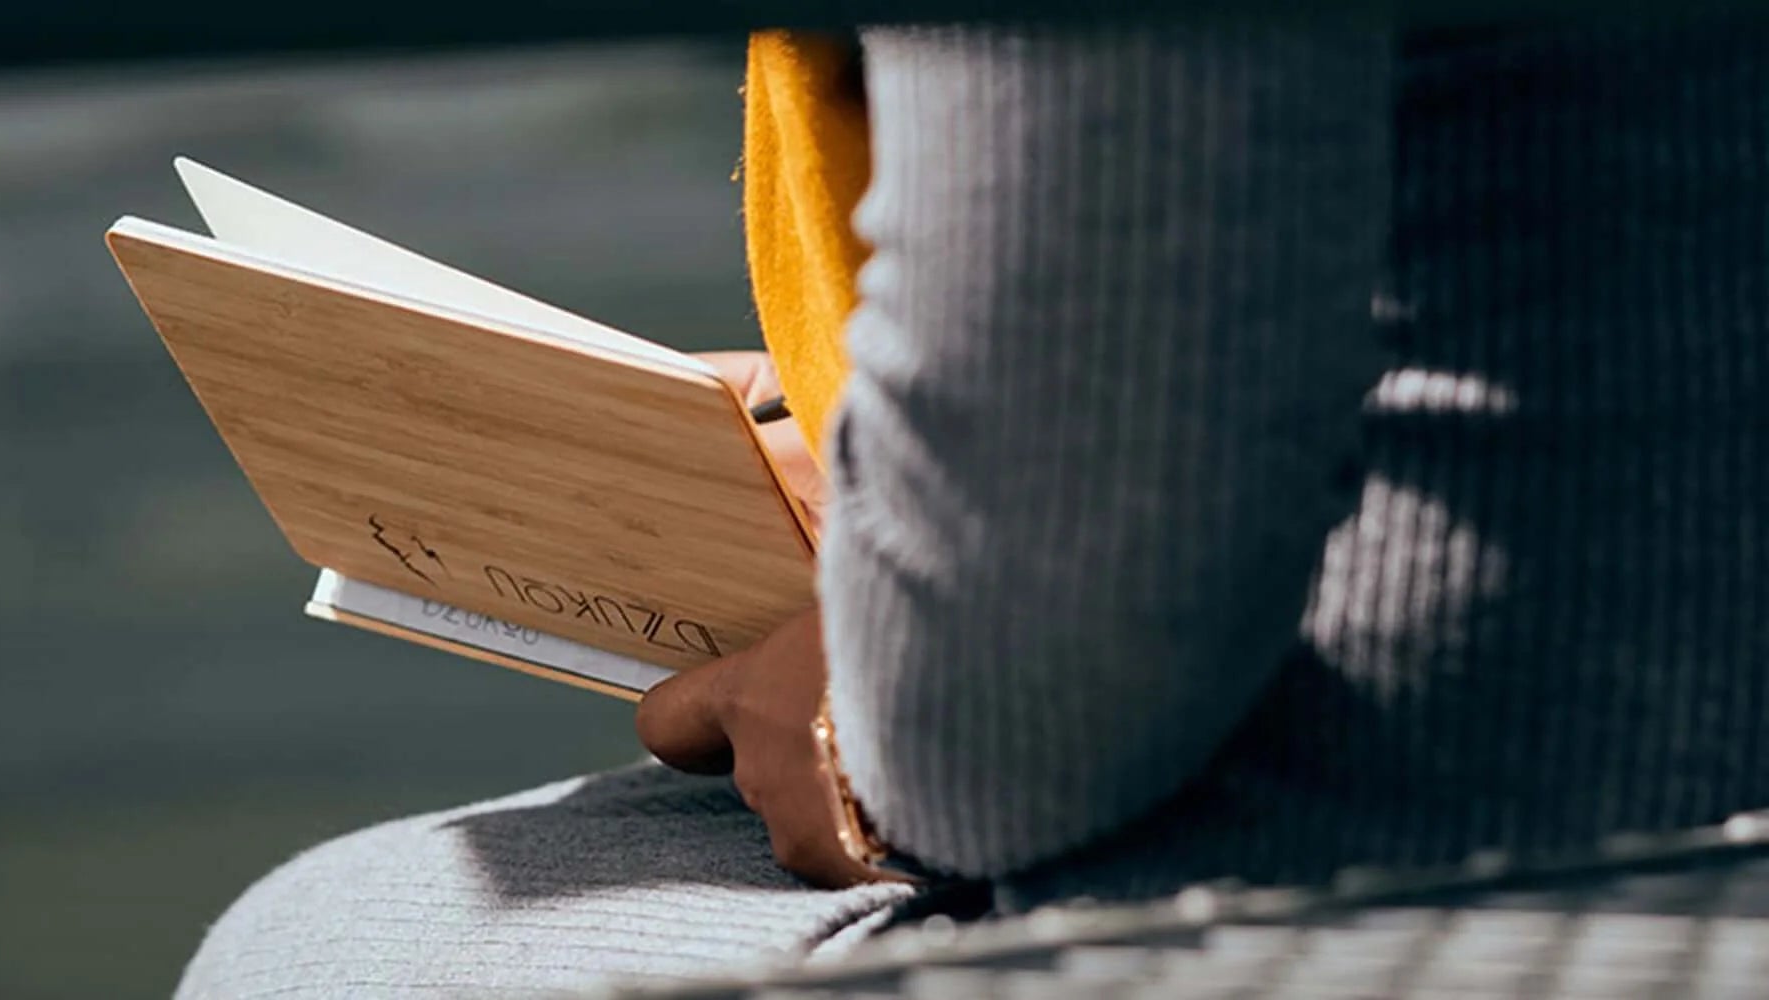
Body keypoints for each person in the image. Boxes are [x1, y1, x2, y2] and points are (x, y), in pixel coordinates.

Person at [178, 18, 1769, 998]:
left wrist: (889, 652)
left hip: (1445, 858)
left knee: (325, 943)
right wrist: (924, 453)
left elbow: (1017, 721)